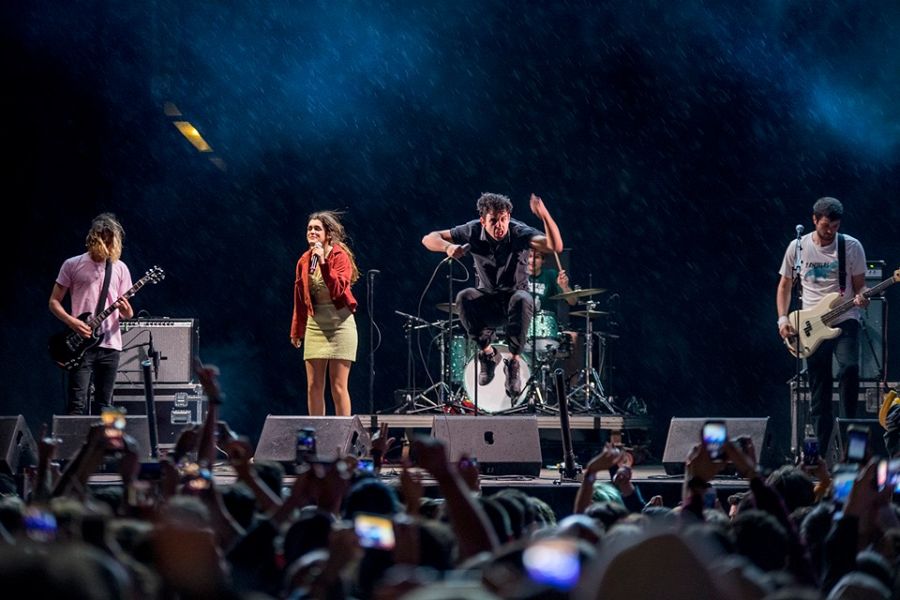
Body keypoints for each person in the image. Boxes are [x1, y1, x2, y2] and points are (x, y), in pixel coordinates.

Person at [422, 193, 563, 398]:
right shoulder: (472, 230)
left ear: (509, 216)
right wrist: (448, 247)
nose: (500, 226)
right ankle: (488, 355)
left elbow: (554, 246)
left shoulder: (519, 232)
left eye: (504, 219)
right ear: (483, 220)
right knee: (464, 296)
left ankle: (513, 362)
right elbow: (428, 238)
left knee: (522, 298)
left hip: (515, 302)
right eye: (494, 221)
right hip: (488, 302)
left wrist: (544, 215)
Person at [776, 197, 868, 456]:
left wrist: (861, 296)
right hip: (809, 325)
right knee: (820, 388)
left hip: (844, 317)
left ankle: (850, 434)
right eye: (826, 226)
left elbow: (860, 284)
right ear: (814, 220)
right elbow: (784, 286)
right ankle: (822, 454)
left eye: (835, 227)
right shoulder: (798, 247)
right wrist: (783, 319)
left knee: (850, 368)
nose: (830, 231)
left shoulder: (850, 247)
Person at [49, 213, 134, 415]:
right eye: (103, 238)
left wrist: (126, 310)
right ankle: (76, 446)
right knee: (77, 405)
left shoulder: (120, 268)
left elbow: (128, 314)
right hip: (81, 345)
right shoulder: (72, 264)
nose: (107, 244)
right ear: (94, 238)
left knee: (104, 406)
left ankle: (102, 447)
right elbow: (53, 302)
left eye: (111, 239)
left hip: (111, 344)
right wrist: (72, 323)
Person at [291, 210, 360, 416]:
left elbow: (338, 290)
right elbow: (300, 297)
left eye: (317, 228)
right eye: (309, 228)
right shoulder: (304, 260)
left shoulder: (340, 256)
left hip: (341, 325)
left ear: (328, 234)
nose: (312, 232)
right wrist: (297, 329)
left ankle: (342, 438)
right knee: (314, 387)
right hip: (315, 325)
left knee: (338, 387)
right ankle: (318, 437)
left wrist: (323, 261)